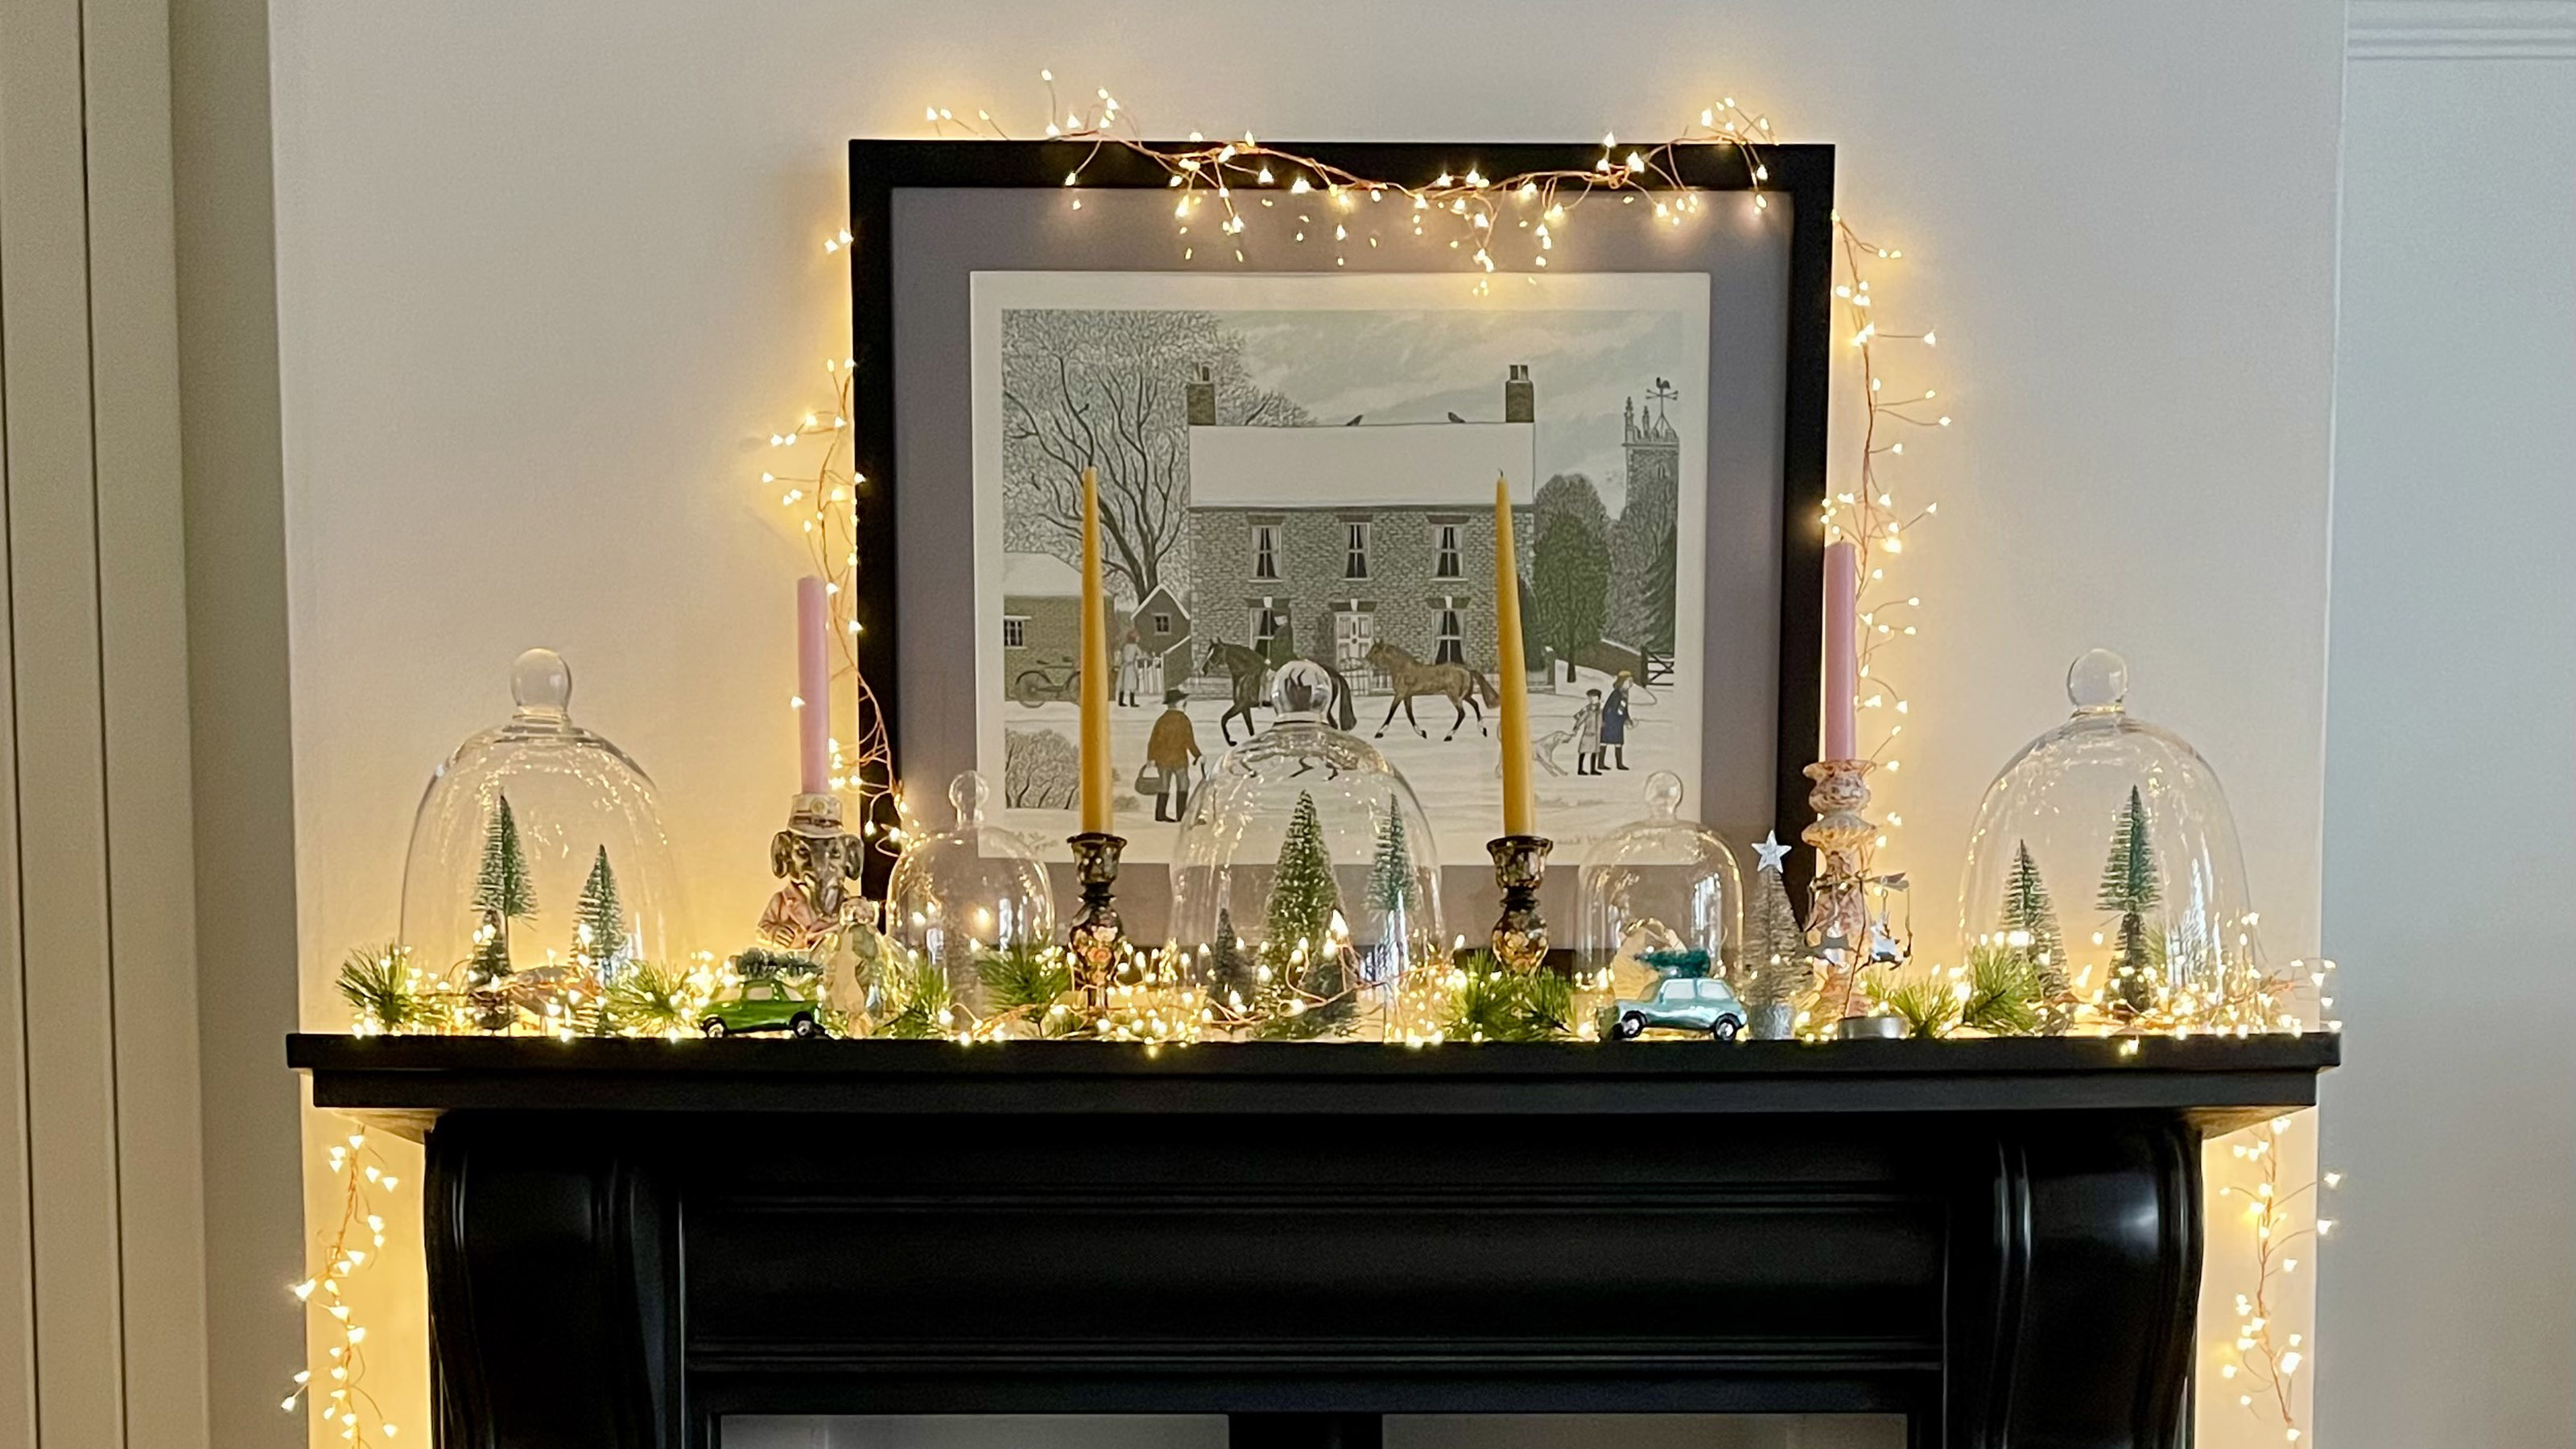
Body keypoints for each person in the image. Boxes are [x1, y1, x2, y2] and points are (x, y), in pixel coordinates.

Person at [1146, 687, 1202, 822]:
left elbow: (1153, 741)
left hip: (1163, 758)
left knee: (1164, 785)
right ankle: (1181, 815)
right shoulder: (1183, 719)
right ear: (1178, 703)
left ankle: (1160, 815)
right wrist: (1198, 755)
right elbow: (1189, 741)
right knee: (1183, 784)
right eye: (1183, 700)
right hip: (1179, 758)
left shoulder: (1162, 719)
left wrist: (1151, 758)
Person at [1600, 670, 1634, 771]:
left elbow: (1624, 709)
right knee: (1604, 742)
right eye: (1628, 682)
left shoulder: (1624, 694)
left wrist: (1627, 718)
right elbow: (1614, 709)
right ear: (1622, 682)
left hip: (1617, 722)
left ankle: (1619, 764)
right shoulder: (1617, 694)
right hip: (1610, 721)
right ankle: (1601, 763)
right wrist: (1625, 719)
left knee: (1618, 743)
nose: (1630, 684)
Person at [1573, 688, 1605, 776]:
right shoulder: (1588, 708)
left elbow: (1603, 719)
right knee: (1583, 751)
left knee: (1595, 751)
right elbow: (1579, 717)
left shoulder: (1601, 708)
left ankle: (1593, 769)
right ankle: (1580, 769)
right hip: (1589, 732)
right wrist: (1576, 727)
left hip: (1597, 733)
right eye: (1590, 698)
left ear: (1598, 698)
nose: (1591, 700)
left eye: (1593, 697)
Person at [1117, 627, 1149, 708]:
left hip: (1124, 666)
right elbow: (1141, 655)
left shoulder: (1125, 646)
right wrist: (1147, 657)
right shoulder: (1135, 647)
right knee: (1132, 684)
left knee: (1123, 684)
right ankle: (1132, 702)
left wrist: (1118, 664)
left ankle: (1121, 701)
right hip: (1130, 667)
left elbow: (1121, 657)